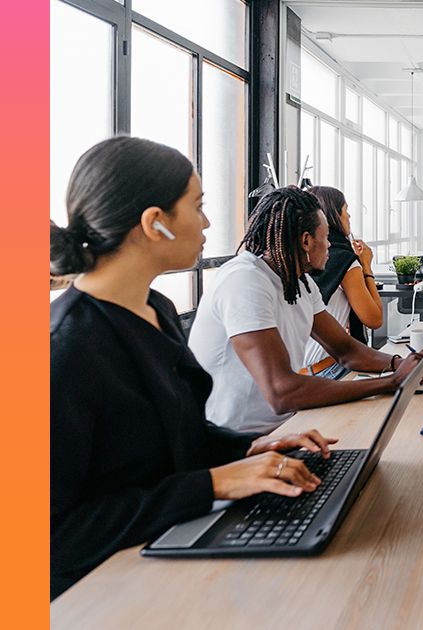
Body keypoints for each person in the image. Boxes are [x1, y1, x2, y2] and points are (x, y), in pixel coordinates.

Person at [50, 137, 335, 599]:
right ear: (154, 223)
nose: (207, 223)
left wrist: (249, 448)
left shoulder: (155, 309)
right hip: (100, 594)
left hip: (170, 553)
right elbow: (52, 537)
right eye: (197, 207)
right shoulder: (64, 350)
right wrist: (215, 482)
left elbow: (177, 436)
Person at [188, 187, 423, 434]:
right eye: (326, 236)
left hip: (285, 428)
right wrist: (392, 381)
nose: (330, 244)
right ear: (307, 241)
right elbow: (282, 392)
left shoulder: (301, 283)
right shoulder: (245, 280)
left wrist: (402, 364)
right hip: (236, 441)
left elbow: (346, 350)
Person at [302, 186, 382, 367]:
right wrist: (366, 266)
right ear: (333, 216)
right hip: (327, 367)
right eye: (346, 210)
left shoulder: (303, 257)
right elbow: (374, 319)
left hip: (299, 369)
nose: (349, 217)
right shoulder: (344, 261)